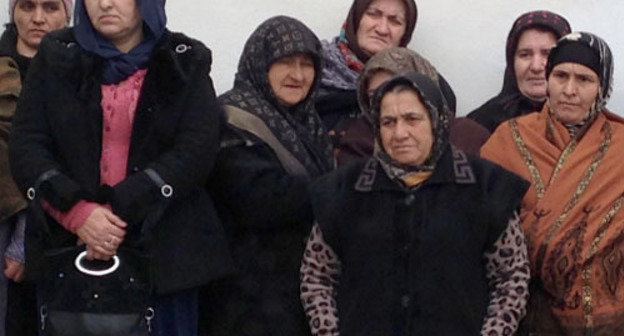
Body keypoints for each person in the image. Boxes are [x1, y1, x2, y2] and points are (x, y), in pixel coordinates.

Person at [8, 0, 234, 335]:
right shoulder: (57, 55)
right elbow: (27, 145)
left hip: (164, 257)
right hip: (70, 254)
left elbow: (196, 149)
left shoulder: (184, 60)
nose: (105, 4)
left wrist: (124, 206)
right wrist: (79, 214)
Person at [301, 72, 531, 336]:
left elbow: (510, 279)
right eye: (388, 122)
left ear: (436, 121)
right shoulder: (345, 190)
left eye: (412, 119)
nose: (400, 133)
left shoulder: (485, 188)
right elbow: (317, 276)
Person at [481, 32, 623, 335]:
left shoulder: (621, 148)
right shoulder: (508, 138)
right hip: (522, 315)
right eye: (560, 76)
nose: (569, 90)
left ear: (603, 87)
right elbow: (481, 227)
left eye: (584, 80)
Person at [202, 16, 333, 336]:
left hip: (302, 290)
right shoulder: (231, 117)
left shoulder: (311, 123)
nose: (298, 75)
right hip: (245, 298)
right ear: (260, 63)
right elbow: (260, 200)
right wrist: (341, 188)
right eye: (285, 62)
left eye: (307, 64)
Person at [0, 0, 71, 335]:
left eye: (51, 7)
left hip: (63, 228)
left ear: (68, 14)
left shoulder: (82, 70)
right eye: (27, 6)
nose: (38, 18)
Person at [336, 47, 489, 165]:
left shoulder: (468, 135)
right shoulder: (358, 141)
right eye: (374, 95)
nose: (386, 100)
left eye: (400, 88)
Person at [316, 0, 417, 152]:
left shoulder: (419, 84)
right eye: (373, 14)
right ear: (356, 19)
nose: (382, 29)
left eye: (394, 21)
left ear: (405, 33)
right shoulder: (313, 68)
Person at [467, 10, 571, 133]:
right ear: (512, 62)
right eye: (525, 55)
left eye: (547, 54)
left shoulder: (588, 124)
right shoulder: (479, 125)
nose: (536, 67)